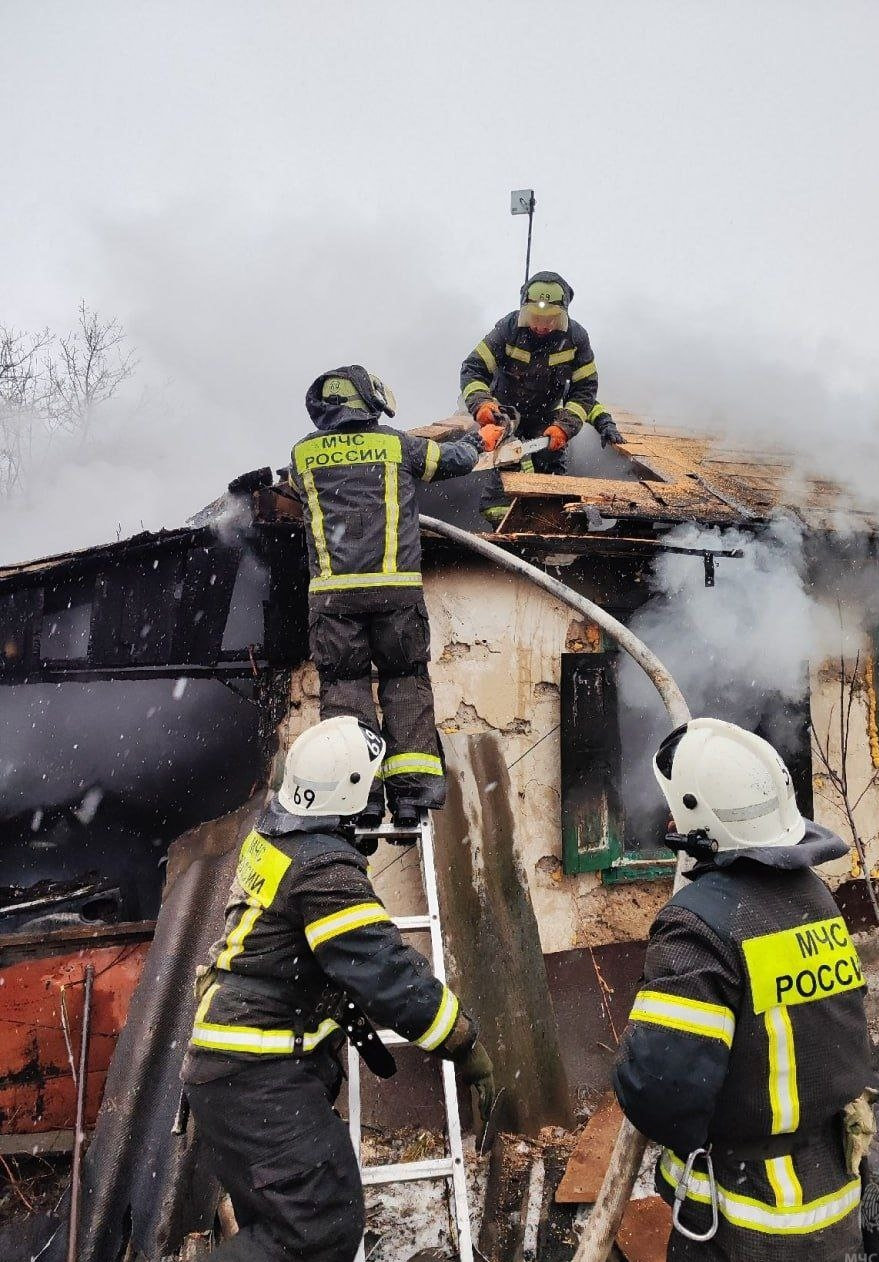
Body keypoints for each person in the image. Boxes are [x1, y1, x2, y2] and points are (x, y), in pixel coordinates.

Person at [181, 715, 495, 1262]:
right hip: (257, 1076)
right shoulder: (324, 869)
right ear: (349, 791)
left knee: (279, 1229)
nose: (377, 798)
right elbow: (385, 972)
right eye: (370, 785)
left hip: (232, 1073)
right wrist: (462, 1041)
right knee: (319, 1225)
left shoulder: (278, 840)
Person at [613, 717, 874, 1260]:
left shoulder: (699, 926)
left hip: (747, 1218)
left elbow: (660, 1089)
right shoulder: (816, 899)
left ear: (698, 818)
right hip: (834, 1196)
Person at [288, 366, 488, 827]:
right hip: (395, 594)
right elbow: (454, 461)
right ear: (367, 399)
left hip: (334, 600)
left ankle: (361, 798)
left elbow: (304, 492)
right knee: (404, 680)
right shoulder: (397, 445)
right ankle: (412, 795)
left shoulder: (302, 454)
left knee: (344, 689)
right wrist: (480, 440)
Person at [459, 270, 623, 524]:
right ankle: (503, 530)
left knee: (551, 478)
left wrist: (564, 427)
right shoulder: (507, 330)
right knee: (505, 476)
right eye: (535, 317)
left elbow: (585, 390)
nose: (541, 326)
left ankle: (549, 527)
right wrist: (481, 404)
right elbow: (473, 368)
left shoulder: (576, 339)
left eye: (551, 319)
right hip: (505, 416)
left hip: (548, 419)